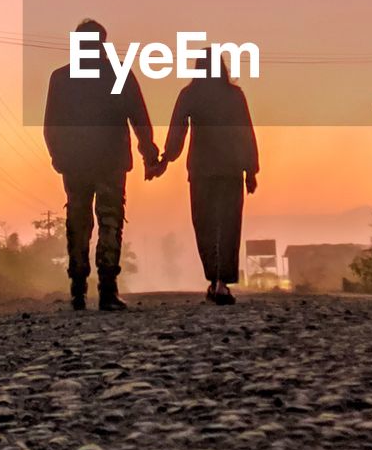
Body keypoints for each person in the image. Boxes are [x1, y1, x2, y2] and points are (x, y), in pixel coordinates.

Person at [43, 18, 162, 311]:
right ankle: (107, 291)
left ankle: (77, 291)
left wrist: (57, 156)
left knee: (78, 222)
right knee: (110, 221)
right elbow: (140, 119)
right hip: (111, 161)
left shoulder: (61, 78)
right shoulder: (118, 73)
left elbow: (50, 125)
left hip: (75, 163)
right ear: (103, 42)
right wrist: (149, 154)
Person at [161, 56, 259, 304]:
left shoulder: (190, 94)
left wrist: (165, 159)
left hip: (202, 170)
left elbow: (177, 130)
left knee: (205, 225)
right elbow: (245, 131)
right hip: (230, 170)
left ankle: (213, 279)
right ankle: (222, 283)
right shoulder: (234, 95)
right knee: (228, 226)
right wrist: (251, 170)